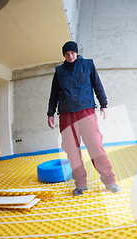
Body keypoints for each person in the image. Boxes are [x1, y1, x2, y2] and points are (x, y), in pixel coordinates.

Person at [48, 41, 121, 196]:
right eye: (67, 54)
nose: (70, 56)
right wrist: (50, 113)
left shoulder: (88, 65)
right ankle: (80, 184)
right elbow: (54, 94)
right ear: (64, 55)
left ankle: (109, 181)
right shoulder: (59, 71)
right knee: (72, 151)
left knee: (95, 146)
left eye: (72, 53)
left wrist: (104, 104)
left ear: (77, 52)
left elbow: (97, 85)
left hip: (86, 111)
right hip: (66, 114)